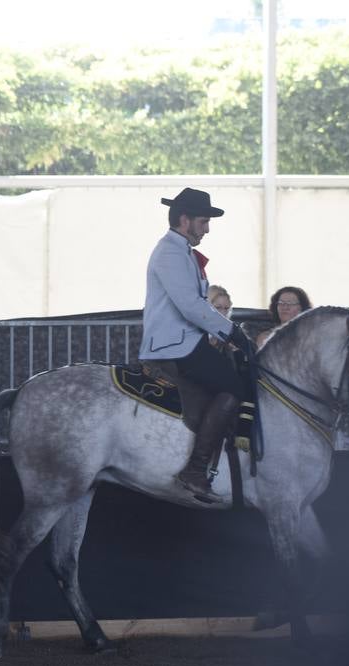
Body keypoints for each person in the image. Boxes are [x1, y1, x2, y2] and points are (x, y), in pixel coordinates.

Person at [139, 188, 250, 504]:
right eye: (203, 221)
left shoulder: (182, 251)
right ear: (184, 220)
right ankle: (196, 469)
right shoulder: (171, 253)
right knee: (235, 386)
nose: (207, 228)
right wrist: (233, 333)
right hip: (176, 346)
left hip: (185, 341)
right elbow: (190, 305)